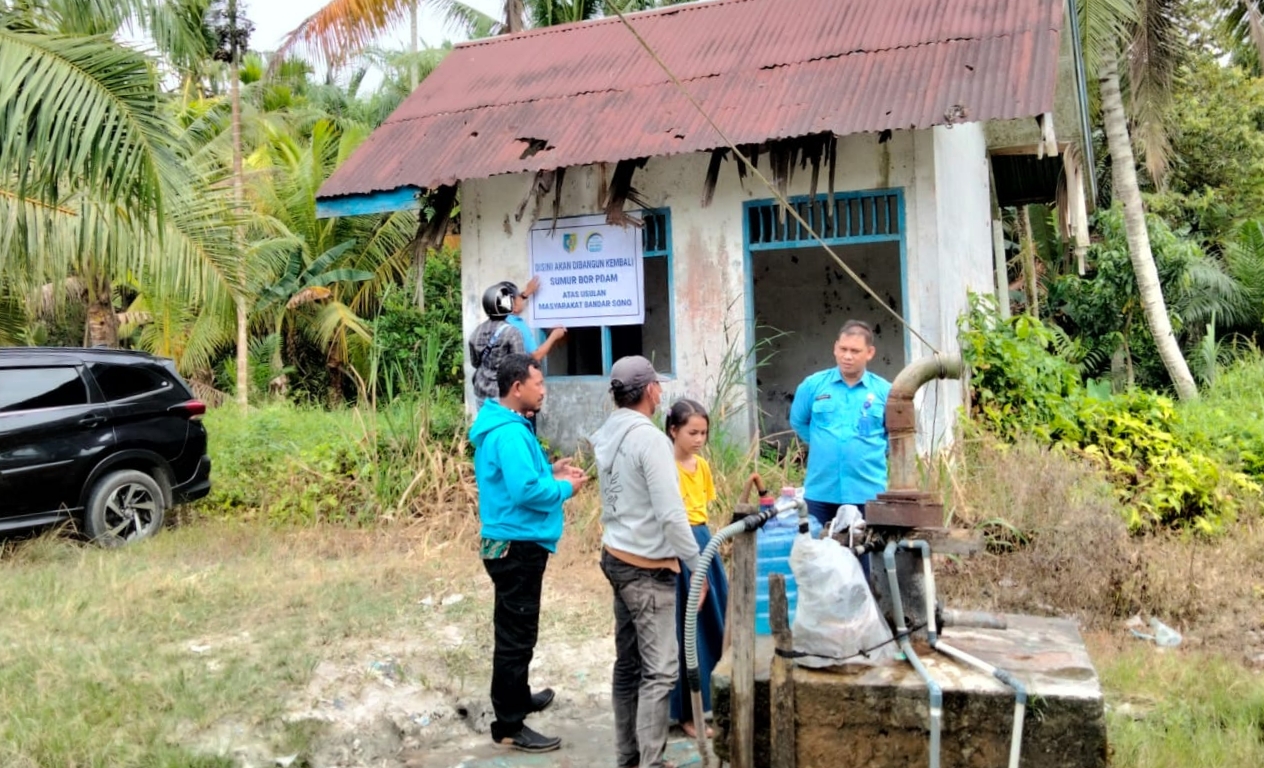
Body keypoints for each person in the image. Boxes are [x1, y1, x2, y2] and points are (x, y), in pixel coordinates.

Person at [591, 356, 706, 768]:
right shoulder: (651, 439)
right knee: (660, 672)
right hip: (646, 566)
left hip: (616, 554)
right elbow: (672, 515)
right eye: (658, 384)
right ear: (651, 391)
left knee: (629, 665)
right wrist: (698, 563)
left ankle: (629, 758)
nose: (660, 390)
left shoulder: (609, 430)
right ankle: (651, 763)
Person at [469, 353, 588, 753]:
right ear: (517, 387)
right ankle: (509, 723)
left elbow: (518, 480)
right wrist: (566, 488)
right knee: (515, 637)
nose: (543, 391)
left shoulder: (509, 426)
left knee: (519, 629)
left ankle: (518, 699)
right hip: (515, 546)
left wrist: (551, 471)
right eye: (539, 384)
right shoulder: (509, 433)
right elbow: (527, 493)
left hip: (515, 542)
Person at [789, 320, 892, 540]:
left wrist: (866, 452)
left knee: (866, 557)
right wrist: (821, 443)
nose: (847, 356)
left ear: (870, 353)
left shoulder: (885, 391)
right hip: (821, 491)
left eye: (855, 351)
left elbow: (892, 435)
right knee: (820, 558)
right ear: (835, 348)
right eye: (843, 349)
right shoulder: (813, 385)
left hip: (867, 491)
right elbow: (798, 421)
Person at [665, 399, 727, 739]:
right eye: (692, 432)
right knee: (687, 629)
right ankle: (688, 712)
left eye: (703, 432)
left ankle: (714, 700)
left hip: (704, 542)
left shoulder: (700, 465)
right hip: (680, 548)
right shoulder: (664, 467)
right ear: (673, 430)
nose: (699, 438)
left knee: (712, 622)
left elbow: (703, 507)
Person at [469, 278, 566, 410]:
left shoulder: (476, 332)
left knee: (489, 427)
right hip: (503, 395)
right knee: (507, 428)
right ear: (509, 305)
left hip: (481, 394)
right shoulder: (513, 331)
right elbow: (520, 368)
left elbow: (475, 363)